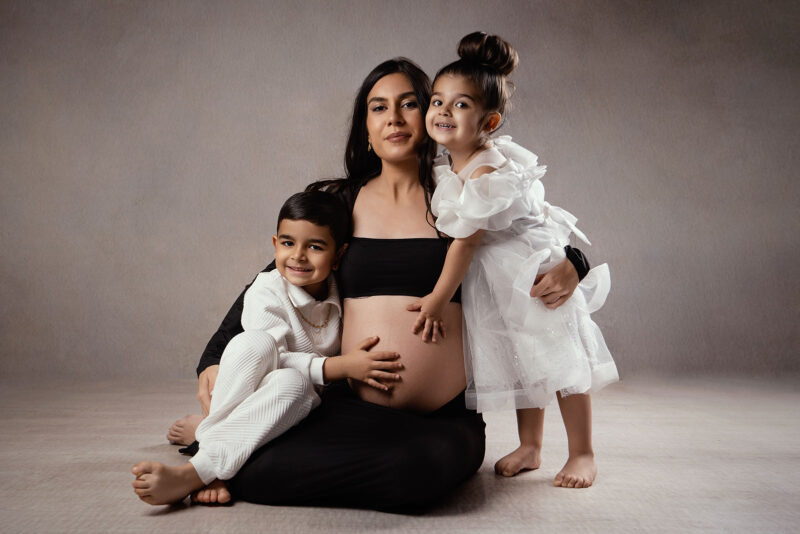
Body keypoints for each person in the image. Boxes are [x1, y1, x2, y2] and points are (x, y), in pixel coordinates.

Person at [164, 57, 591, 511]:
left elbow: (536, 230)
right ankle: (218, 444)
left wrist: (575, 264)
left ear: (429, 116)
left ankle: (225, 451)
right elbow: (276, 274)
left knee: (414, 476)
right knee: (268, 468)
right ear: (365, 128)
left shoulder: (462, 193)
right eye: (378, 107)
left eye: (408, 104)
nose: (394, 118)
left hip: (440, 419)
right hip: (345, 403)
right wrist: (212, 358)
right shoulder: (341, 203)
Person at [408, 32, 617, 489]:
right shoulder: (453, 161)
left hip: (532, 270)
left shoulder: (484, 167)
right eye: (437, 101)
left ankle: (583, 452)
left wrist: (437, 299)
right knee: (527, 361)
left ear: (489, 120)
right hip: (503, 273)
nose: (443, 111)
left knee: (559, 363)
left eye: (461, 105)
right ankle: (531, 447)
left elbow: (464, 242)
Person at [132, 191, 404, 505]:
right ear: (275, 244)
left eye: (315, 247)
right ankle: (203, 468)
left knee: (298, 385)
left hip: (286, 398)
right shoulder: (266, 289)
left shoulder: (342, 295)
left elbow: (296, 381)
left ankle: (203, 440)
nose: (299, 256)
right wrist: (341, 366)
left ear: (338, 256)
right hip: (248, 385)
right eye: (288, 243)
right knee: (256, 342)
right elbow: (275, 358)